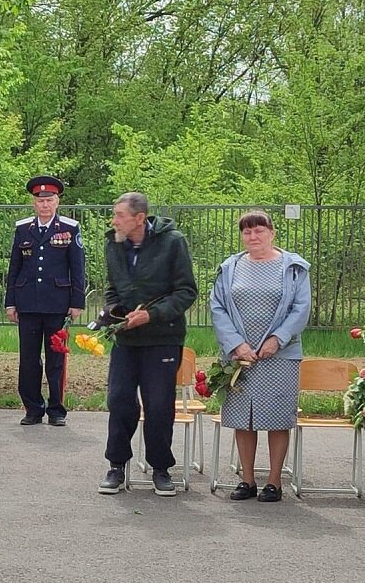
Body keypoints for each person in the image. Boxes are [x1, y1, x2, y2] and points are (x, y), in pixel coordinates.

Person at [97, 192, 197, 496]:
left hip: (162, 338)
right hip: (126, 339)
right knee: (120, 400)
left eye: (120, 215)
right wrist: (116, 314)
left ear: (139, 219)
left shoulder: (172, 241)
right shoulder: (113, 242)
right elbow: (112, 288)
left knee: (157, 404)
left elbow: (186, 292)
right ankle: (116, 465)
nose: (114, 221)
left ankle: (161, 469)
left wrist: (151, 315)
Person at [210, 210, 310, 503]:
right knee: (244, 417)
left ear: (272, 233)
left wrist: (277, 339)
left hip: (280, 354)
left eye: (259, 231)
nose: (253, 237)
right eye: (247, 232)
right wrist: (237, 345)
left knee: (278, 417)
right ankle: (248, 480)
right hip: (240, 356)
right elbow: (217, 307)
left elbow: (300, 308)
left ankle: (275, 482)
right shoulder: (230, 267)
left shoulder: (293, 268)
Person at [5, 175, 86, 427]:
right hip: (28, 303)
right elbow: (14, 268)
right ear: (34, 203)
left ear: (57, 202)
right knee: (28, 360)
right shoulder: (23, 229)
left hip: (57, 304)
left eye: (49, 200)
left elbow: (77, 268)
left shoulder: (69, 229)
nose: (45, 205)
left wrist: (77, 302)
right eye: (40, 201)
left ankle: (56, 409)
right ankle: (32, 408)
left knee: (56, 359)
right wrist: (11, 302)